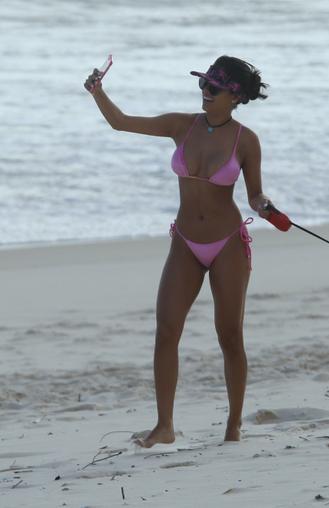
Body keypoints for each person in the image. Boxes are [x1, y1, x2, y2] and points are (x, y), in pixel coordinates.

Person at [84, 55, 275, 447]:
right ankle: (165, 425)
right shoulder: (181, 125)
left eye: (213, 88)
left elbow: (255, 194)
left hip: (227, 244)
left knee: (230, 337)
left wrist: (264, 205)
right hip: (186, 241)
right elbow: (122, 123)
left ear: (234, 96)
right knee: (166, 330)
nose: (204, 93)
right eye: (202, 85)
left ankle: (233, 425)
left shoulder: (246, 141)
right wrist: (97, 92)